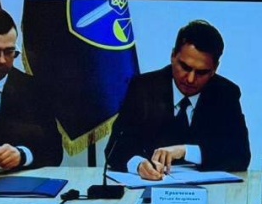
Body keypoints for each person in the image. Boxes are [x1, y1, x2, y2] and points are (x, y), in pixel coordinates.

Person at [108, 20, 251, 178]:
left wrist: (185, 151)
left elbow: (240, 155)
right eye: (185, 67)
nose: (190, 79)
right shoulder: (144, 88)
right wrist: (139, 165)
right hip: (152, 186)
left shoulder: (226, 93)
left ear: (214, 69)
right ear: (173, 56)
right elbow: (115, 148)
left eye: (201, 72)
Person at [0, 6, 62, 170]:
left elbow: (54, 151)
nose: (2, 60)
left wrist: (23, 155)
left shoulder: (35, 90)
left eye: (10, 52)